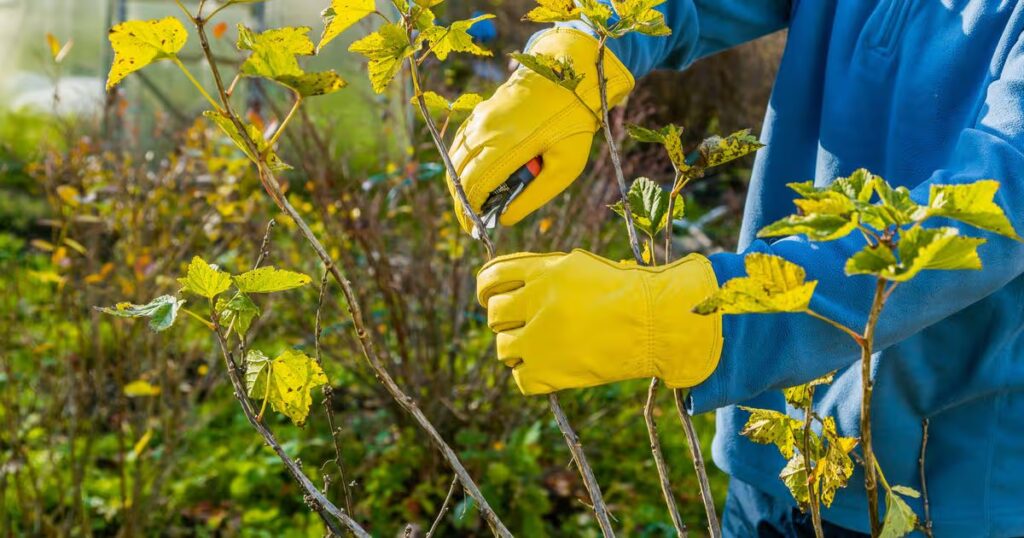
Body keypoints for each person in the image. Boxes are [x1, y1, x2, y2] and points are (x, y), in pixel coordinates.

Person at [446, 1, 1024, 536]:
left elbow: (992, 210)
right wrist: (580, 50)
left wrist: (706, 313)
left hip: (939, 495)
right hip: (767, 448)